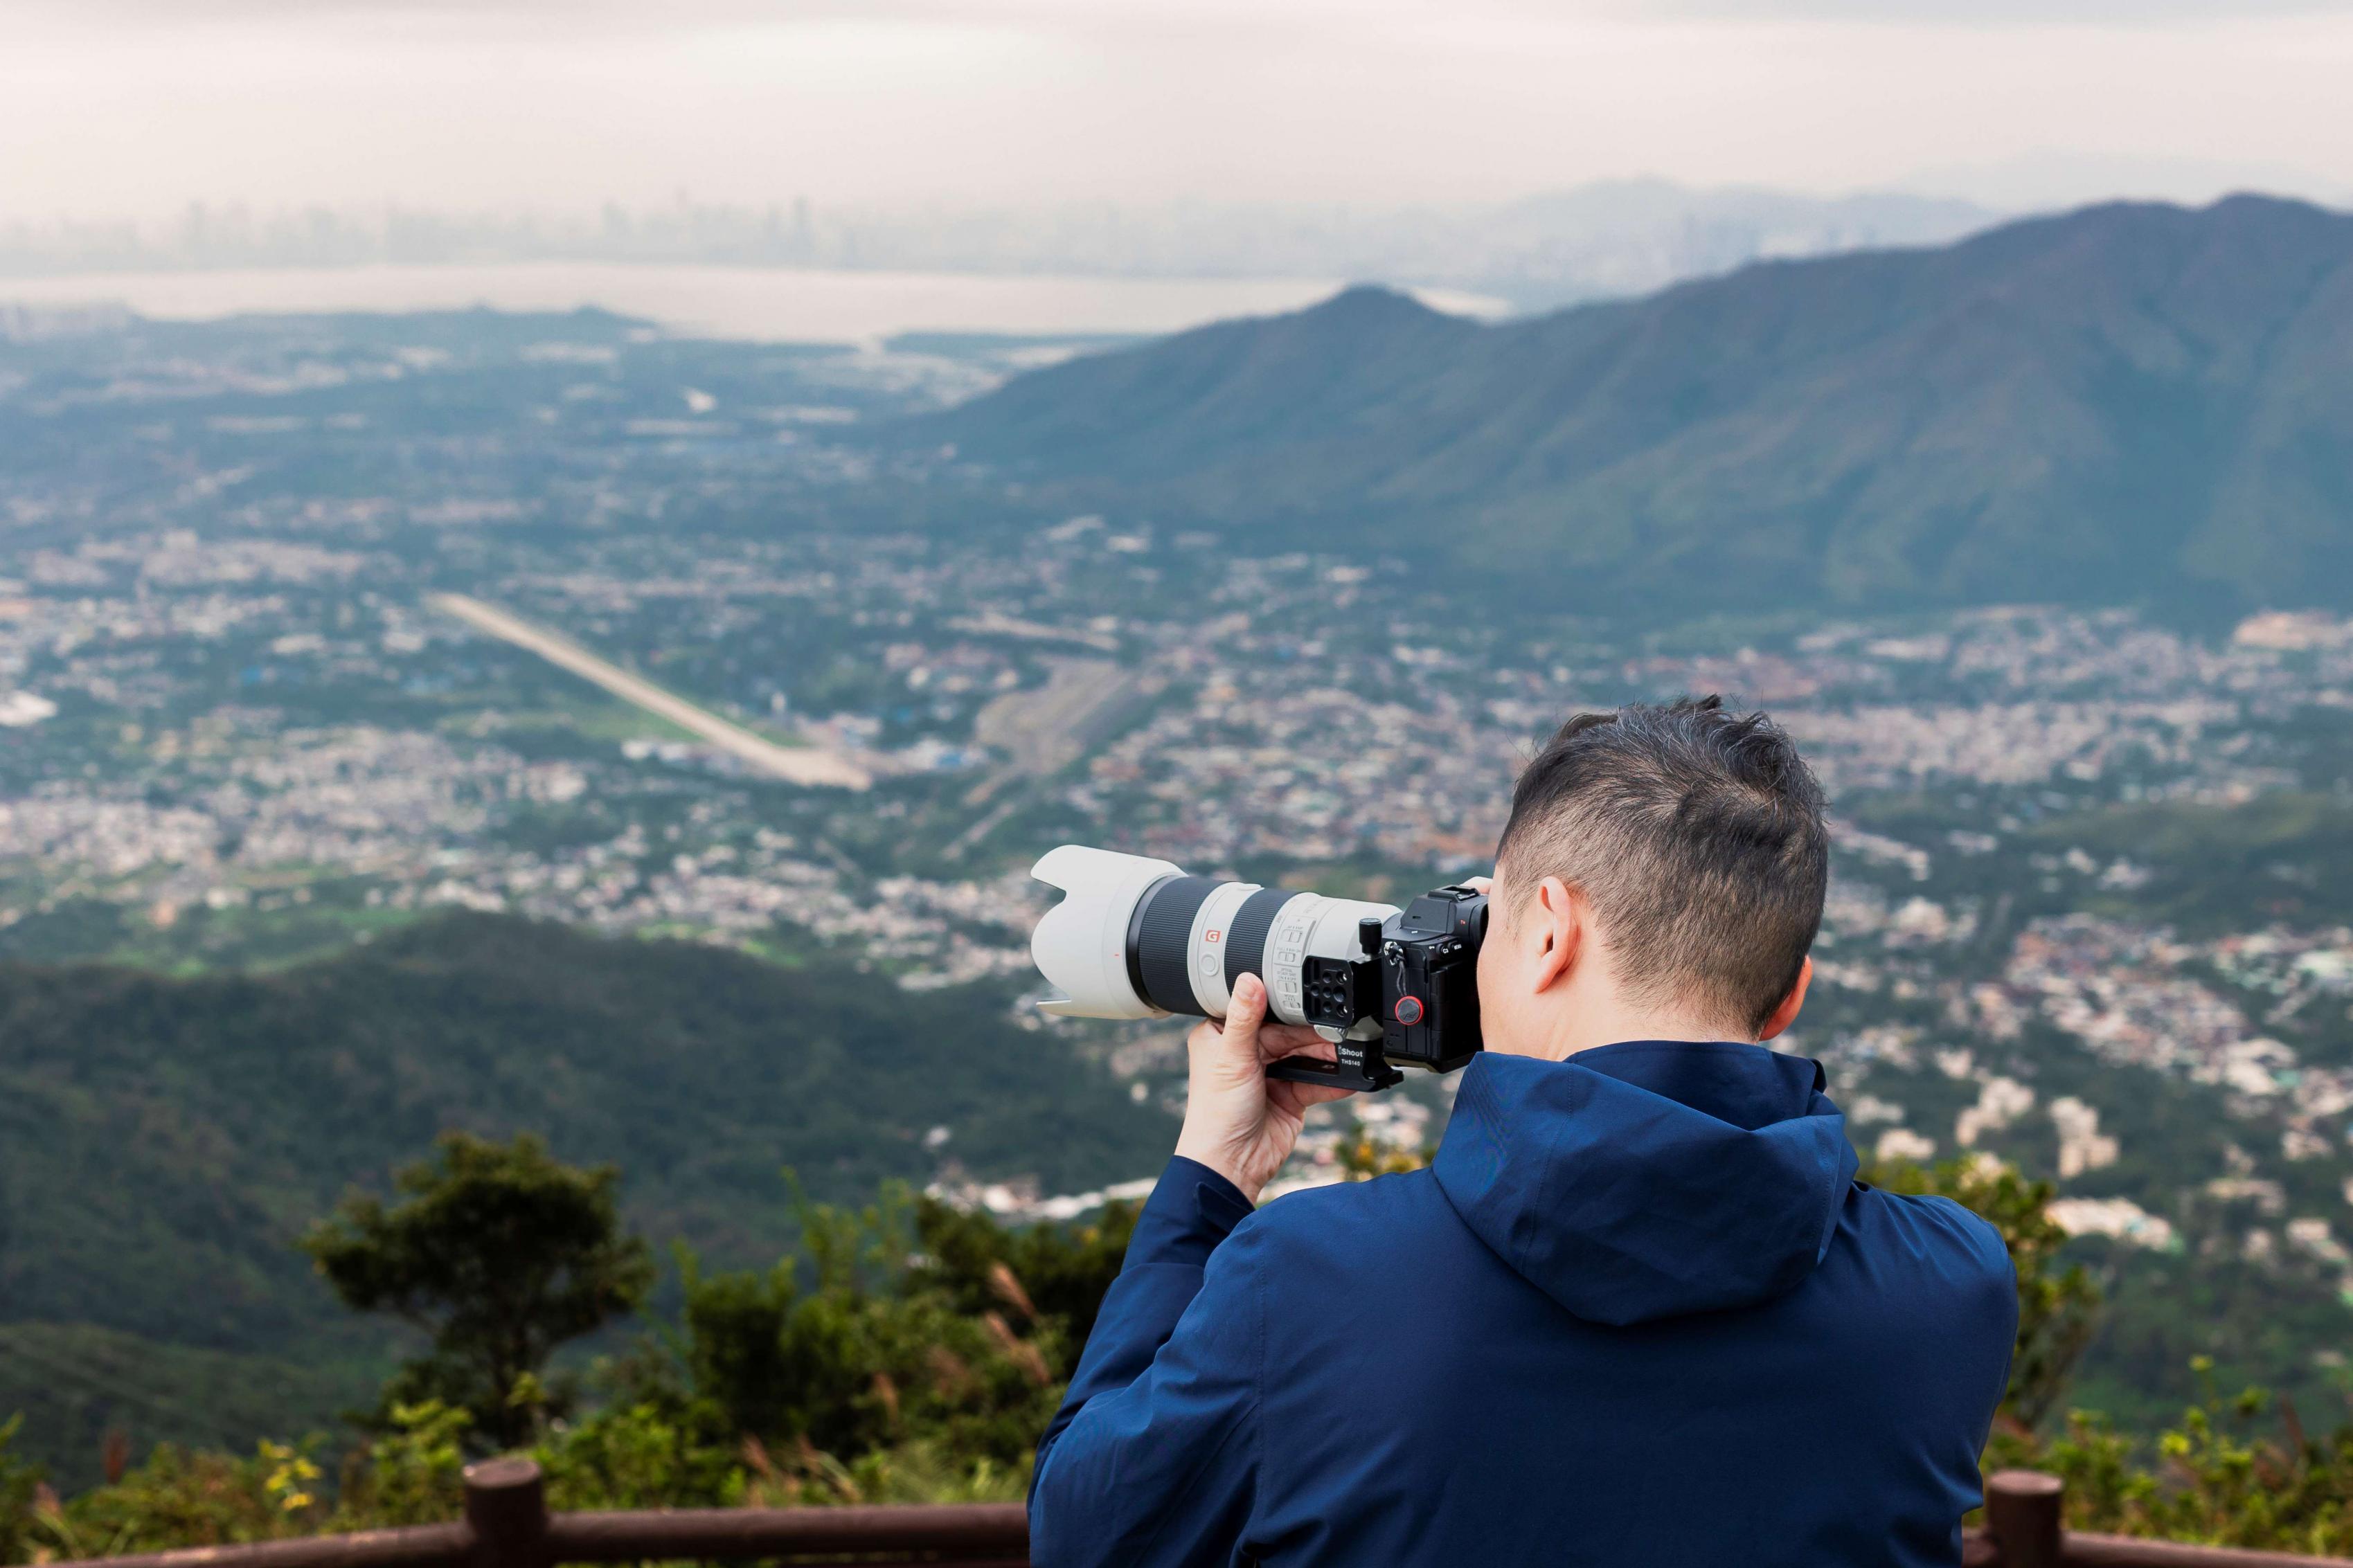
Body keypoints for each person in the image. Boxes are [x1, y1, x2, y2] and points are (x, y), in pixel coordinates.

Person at [1028, 698, 2016, 1567]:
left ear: (1548, 930)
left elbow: (1088, 1535)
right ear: (1789, 993)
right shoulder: (1949, 1285)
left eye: (1487, 917)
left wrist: (1209, 1176)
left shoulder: (1305, 1281)